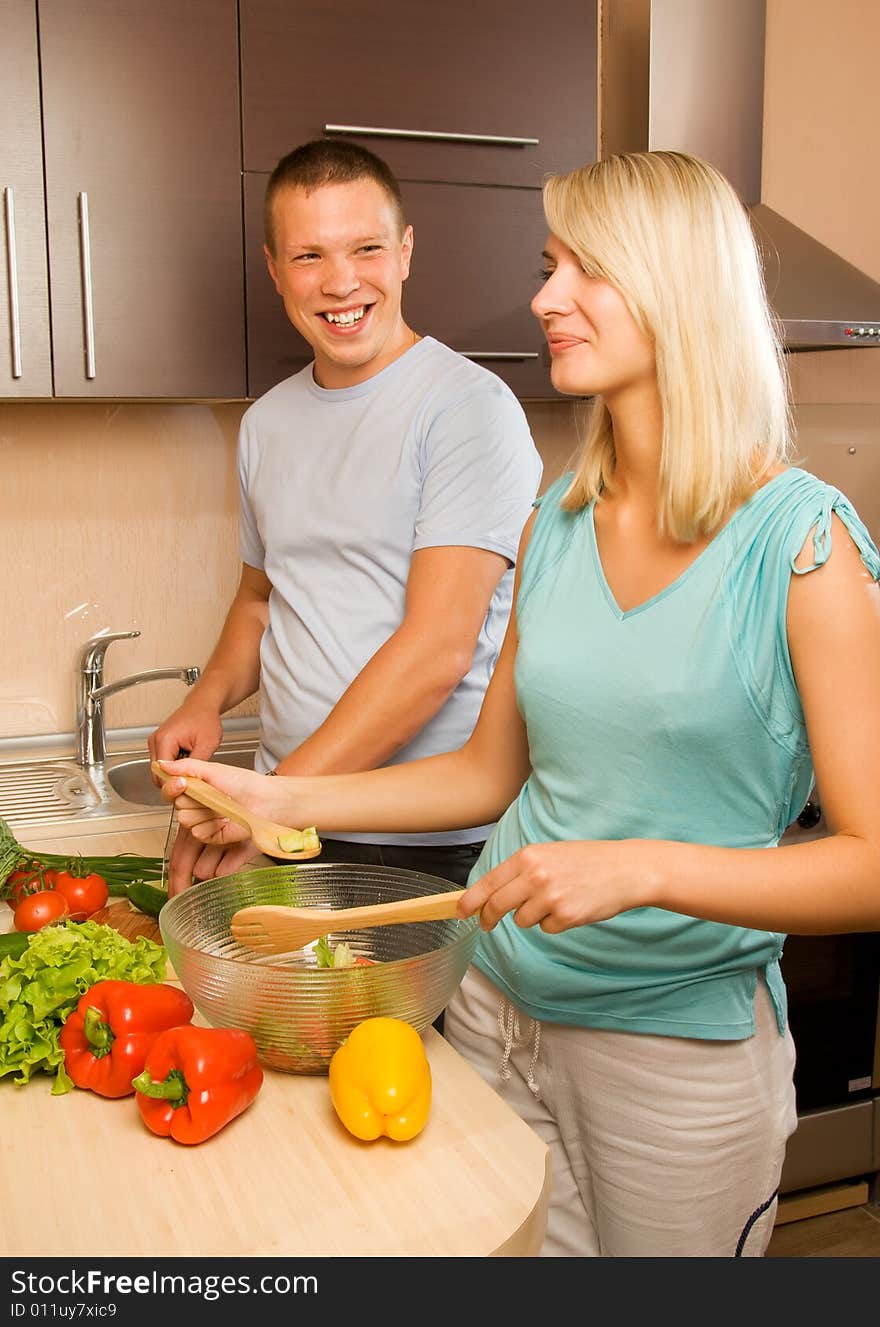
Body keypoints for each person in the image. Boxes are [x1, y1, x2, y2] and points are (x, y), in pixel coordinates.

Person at [156, 150, 880, 1257]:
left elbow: (870, 859)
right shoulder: (559, 522)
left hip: (670, 1051)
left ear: (676, 288)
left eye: (583, 270)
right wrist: (271, 792)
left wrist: (638, 866)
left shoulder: (803, 545)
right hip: (496, 1001)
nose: (544, 298)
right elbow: (486, 776)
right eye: (551, 266)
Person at [149, 138, 542, 897]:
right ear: (273, 268)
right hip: (291, 815)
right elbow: (262, 600)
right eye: (308, 257)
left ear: (404, 252)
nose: (340, 282)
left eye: (365, 248)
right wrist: (206, 698)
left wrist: (268, 807)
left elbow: (437, 650)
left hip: (423, 842)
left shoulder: (468, 409)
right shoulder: (266, 423)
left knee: (401, 1024)